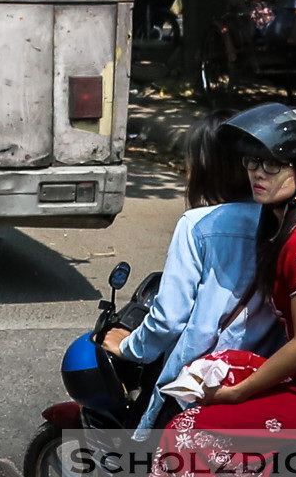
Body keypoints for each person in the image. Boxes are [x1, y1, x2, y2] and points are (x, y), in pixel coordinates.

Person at [136, 103, 296, 477]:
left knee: (187, 431)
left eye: (274, 164)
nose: (258, 173)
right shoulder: (284, 228)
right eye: (253, 161)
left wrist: (237, 393)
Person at [101, 110, 282, 441]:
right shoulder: (285, 222)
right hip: (269, 378)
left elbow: (169, 320)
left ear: (207, 166)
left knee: (143, 473)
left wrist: (128, 346)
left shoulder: (197, 225)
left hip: (202, 384)